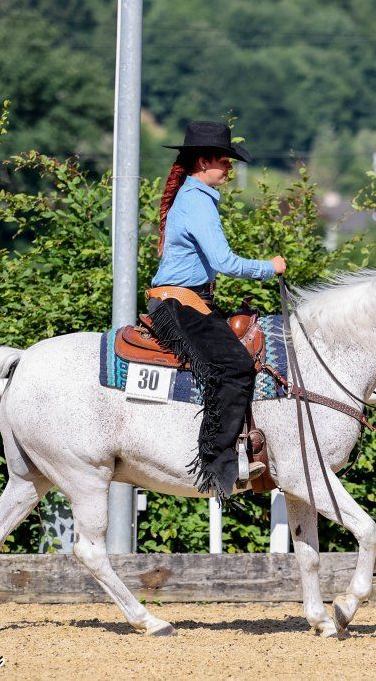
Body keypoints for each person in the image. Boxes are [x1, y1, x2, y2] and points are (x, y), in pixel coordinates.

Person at [146, 120, 287, 503]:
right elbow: (225, 262)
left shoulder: (194, 197)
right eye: (224, 161)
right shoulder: (197, 201)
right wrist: (270, 267)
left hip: (185, 300)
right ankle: (218, 464)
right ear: (203, 161)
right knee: (236, 366)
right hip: (180, 302)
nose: (229, 168)